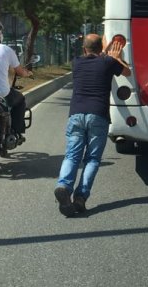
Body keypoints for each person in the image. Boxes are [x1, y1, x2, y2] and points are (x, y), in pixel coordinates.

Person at [54, 34, 131, 217]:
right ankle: (81, 198)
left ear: (83, 49)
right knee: (92, 159)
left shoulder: (76, 62)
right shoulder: (108, 62)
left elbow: (96, 57)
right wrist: (116, 57)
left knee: (72, 155)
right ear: (101, 49)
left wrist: (104, 51)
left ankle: (64, 185)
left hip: (76, 115)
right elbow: (127, 72)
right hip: (98, 115)